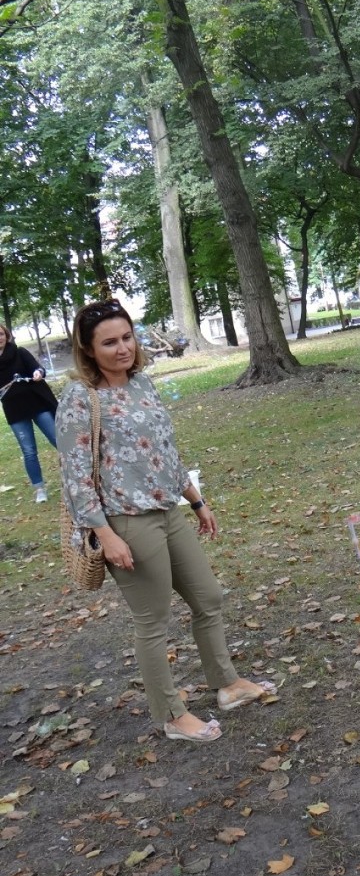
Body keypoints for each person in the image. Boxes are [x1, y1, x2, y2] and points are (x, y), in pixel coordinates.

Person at [56, 299, 275, 744]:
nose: (122, 348)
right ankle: (172, 714)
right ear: (88, 348)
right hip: (125, 522)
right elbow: (76, 477)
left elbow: (166, 452)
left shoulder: (142, 385)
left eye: (127, 337)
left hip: (168, 511)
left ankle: (228, 685)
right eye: (109, 342)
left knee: (209, 597)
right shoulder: (81, 397)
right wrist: (105, 534)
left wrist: (195, 500)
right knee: (152, 620)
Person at [0, 325, 58, 502]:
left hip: (37, 404)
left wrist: (37, 372)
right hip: (15, 411)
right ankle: (39, 489)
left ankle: (81, 476)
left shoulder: (19, 352)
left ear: (6, 335)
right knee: (29, 451)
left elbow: (39, 369)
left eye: (1, 334)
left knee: (58, 440)